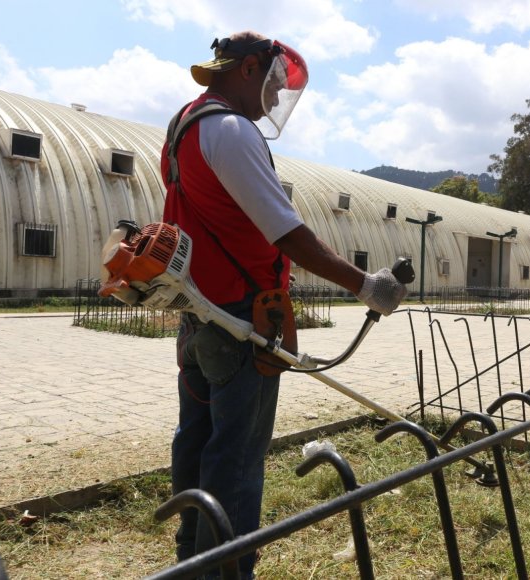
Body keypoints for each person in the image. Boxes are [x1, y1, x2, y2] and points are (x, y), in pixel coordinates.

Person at [161, 31, 407, 577]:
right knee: (237, 458)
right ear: (248, 69)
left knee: (195, 441)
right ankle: (228, 568)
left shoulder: (183, 126)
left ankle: (189, 560)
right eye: (272, 87)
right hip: (241, 321)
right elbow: (288, 234)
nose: (273, 102)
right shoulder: (230, 130)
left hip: (198, 316)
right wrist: (367, 286)